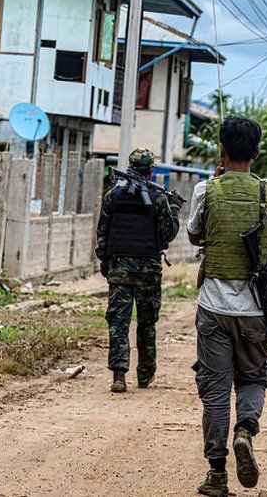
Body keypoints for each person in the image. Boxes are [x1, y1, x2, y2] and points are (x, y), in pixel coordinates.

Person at [186, 116, 267, 497]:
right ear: (257, 153)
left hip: (213, 308)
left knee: (215, 389)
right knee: (253, 379)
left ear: (222, 149)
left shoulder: (206, 189)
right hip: (258, 310)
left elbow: (193, 237)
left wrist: (215, 178)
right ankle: (245, 430)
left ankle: (217, 474)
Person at [96, 147, 183, 393]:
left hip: (120, 269)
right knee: (147, 323)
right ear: (151, 171)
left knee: (118, 322)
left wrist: (105, 262)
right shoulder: (158, 199)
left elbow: (102, 232)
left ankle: (119, 375)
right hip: (148, 271)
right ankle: (145, 375)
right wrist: (175, 208)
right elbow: (168, 234)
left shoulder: (113, 196)